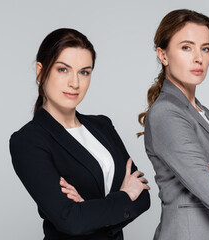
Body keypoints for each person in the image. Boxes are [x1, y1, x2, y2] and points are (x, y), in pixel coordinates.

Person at [10, 28, 151, 240]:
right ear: (40, 72)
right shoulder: (28, 141)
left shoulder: (102, 126)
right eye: (63, 70)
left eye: (84, 72)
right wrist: (124, 196)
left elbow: (143, 196)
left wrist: (89, 209)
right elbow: (71, 221)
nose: (75, 83)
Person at [138, 9, 209, 240]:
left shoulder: (200, 111)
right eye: (186, 47)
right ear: (163, 55)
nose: (198, 58)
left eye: (206, 48)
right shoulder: (167, 113)